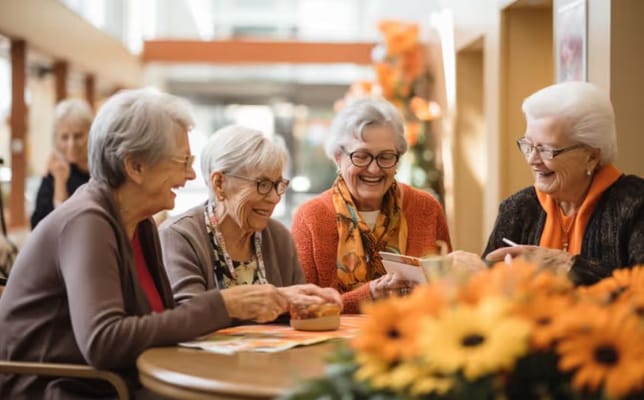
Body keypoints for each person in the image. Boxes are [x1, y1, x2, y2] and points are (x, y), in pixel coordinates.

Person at [0, 89, 314, 399]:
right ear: (135, 166)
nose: (192, 174)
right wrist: (226, 304)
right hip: (60, 388)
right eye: (182, 161)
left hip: (117, 383)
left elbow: (162, 320)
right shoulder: (87, 222)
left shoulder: (141, 224)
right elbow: (104, 342)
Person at [291, 97, 452, 314]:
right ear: (338, 157)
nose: (374, 169)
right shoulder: (311, 217)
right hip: (334, 346)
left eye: (386, 157)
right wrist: (370, 295)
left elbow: (450, 293)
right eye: (362, 156)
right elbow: (302, 307)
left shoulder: (427, 209)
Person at [159, 124, 341, 312]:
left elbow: (297, 310)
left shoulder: (278, 237)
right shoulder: (179, 236)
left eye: (278, 184)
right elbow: (188, 316)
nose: (274, 198)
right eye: (262, 184)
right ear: (219, 183)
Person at [483, 81, 644, 284]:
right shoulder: (518, 208)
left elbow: (637, 294)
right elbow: (486, 287)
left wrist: (566, 265)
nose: (532, 159)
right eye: (528, 145)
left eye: (547, 150)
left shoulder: (636, 205)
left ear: (591, 157)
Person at [31, 98, 93, 229]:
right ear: (56, 140)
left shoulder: (101, 170)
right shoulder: (53, 173)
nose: (71, 144)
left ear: (91, 133)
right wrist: (60, 181)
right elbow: (39, 227)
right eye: (65, 137)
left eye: (78, 136)